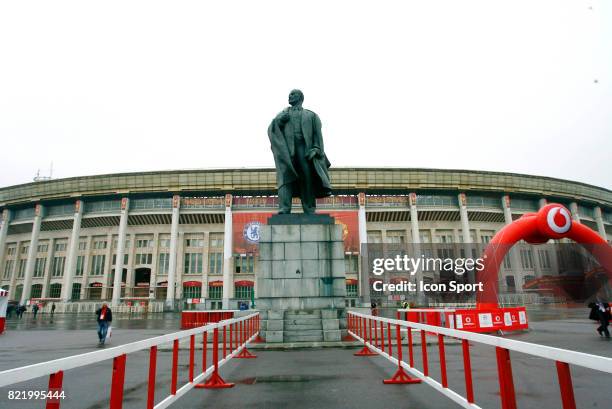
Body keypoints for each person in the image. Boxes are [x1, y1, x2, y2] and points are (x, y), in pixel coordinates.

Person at [268, 89, 332, 214]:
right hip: (287, 152)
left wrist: (317, 149)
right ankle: (284, 209)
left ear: (300, 97)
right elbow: (272, 130)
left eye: (293, 94)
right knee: (285, 178)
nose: (289, 96)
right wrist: (278, 121)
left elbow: (318, 137)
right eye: (289, 95)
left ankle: (309, 209)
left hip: (305, 151)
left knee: (307, 178)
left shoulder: (311, 116)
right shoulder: (282, 114)